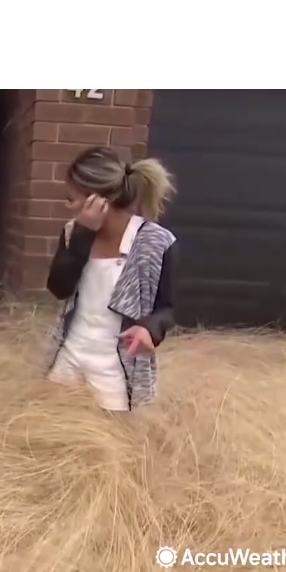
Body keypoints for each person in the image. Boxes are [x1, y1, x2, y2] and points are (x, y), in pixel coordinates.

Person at [44, 146, 178, 412]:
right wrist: (83, 235)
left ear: (97, 200)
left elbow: (168, 308)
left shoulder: (155, 242)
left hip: (116, 369)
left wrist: (150, 329)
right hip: (70, 356)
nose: (66, 206)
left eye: (71, 199)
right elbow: (58, 288)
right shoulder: (73, 232)